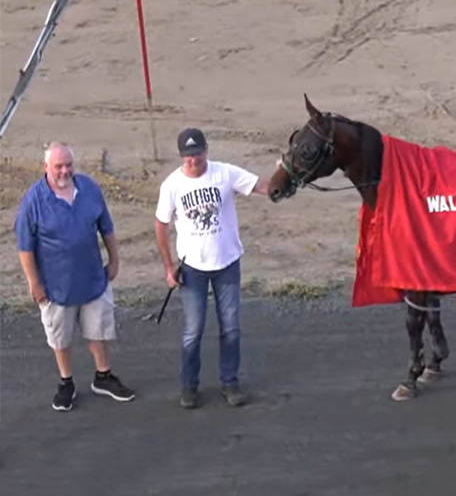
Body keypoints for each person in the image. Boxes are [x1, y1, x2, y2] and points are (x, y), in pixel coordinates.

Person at [14, 142, 135, 411]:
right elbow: (25, 246)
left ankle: (103, 376)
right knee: (60, 338)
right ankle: (66, 382)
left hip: (92, 278)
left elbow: (107, 227)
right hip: (56, 287)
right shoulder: (34, 200)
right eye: (58, 166)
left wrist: (114, 260)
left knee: (98, 331)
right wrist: (34, 283)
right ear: (46, 167)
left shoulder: (89, 188)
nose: (64, 170)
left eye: (68, 164)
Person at [154, 127, 270, 409]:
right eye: (188, 156)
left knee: (230, 327)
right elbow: (161, 224)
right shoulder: (172, 185)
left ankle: (230, 382)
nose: (193, 160)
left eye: (197, 154)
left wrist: (285, 181)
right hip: (192, 268)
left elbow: (260, 186)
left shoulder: (224, 173)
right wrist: (169, 266)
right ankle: (189, 386)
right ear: (182, 157)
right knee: (193, 329)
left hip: (227, 263)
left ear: (206, 150)